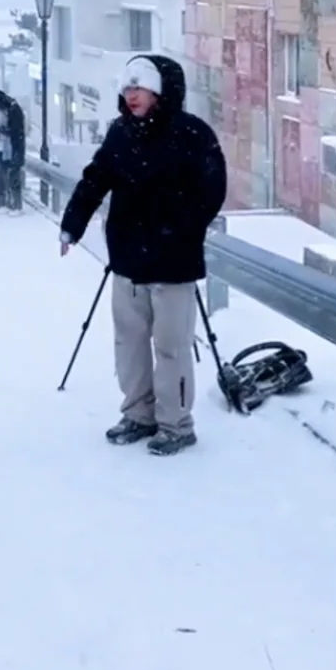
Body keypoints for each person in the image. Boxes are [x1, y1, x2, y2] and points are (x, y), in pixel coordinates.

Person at [58, 55, 227, 458]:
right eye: (127, 88)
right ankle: (138, 414)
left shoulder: (192, 134)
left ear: (160, 91)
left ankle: (176, 424)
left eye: (140, 88)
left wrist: (180, 229)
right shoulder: (120, 133)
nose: (130, 95)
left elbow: (212, 191)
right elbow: (95, 178)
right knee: (129, 343)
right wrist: (72, 224)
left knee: (171, 347)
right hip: (128, 261)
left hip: (173, 263)